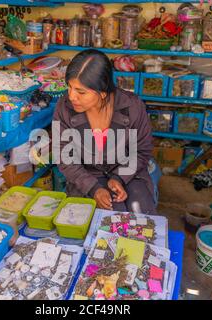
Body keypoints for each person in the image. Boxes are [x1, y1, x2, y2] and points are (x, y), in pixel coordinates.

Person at [53, 49, 157, 214]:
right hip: (86, 176)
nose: (71, 96)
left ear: (102, 92)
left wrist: (118, 178)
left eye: (81, 92)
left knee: (142, 216)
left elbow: (142, 151)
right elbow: (65, 157)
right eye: (70, 87)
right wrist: (94, 188)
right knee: (107, 219)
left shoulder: (133, 106)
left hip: (129, 173)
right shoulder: (64, 108)